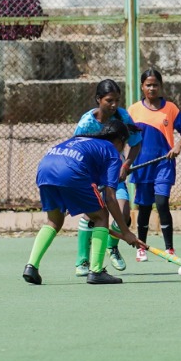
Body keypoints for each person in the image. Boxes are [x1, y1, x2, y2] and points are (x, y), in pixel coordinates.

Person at [23, 121, 145, 286]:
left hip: (44, 169)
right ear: (120, 140)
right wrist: (126, 232)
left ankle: (31, 266)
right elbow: (110, 197)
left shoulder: (83, 139)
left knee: (54, 221)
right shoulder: (111, 151)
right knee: (101, 215)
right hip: (70, 171)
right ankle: (96, 271)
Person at [73, 79, 140, 276]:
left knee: (124, 213)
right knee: (92, 215)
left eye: (117, 100)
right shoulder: (86, 124)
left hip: (114, 173)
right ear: (98, 100)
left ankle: (112, 247)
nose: (114, 105)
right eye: (109, 100)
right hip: (91, 175)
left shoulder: (123, 117)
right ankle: (82, 261)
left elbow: (136, 143)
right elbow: (76, 152)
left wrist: (126, 164)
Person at [126, 68, 181, 263]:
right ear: (142, 87)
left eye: (155, 84)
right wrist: (124, 161)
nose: (152, 88)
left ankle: (169, 249)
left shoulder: (170, 109)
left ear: (160, 86)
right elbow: (124, 137)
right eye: (148, 85)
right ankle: (141, 247)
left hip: (164, 164)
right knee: (144, 208)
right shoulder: (133, 110)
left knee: (162, 203)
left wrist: (178, 145)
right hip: (141, 165)